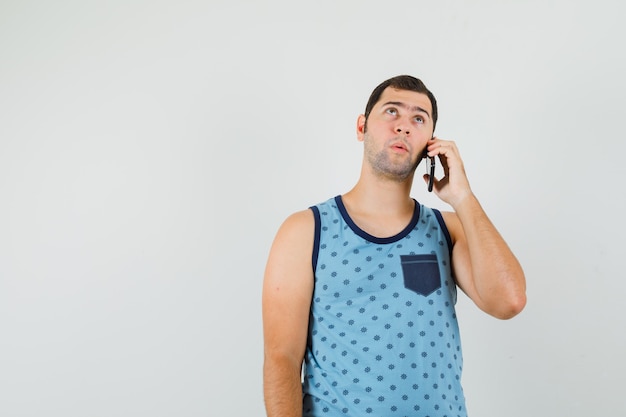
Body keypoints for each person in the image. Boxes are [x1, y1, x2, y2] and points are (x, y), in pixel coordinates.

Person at [262, 75, 526, 417]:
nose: (404, 126)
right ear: (362, 127)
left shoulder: (450, 229)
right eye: (391, 112)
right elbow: (281, 360)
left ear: (431, 142)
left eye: (419, 118)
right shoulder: (305, 231)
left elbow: (509, 301)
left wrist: (462, 196)